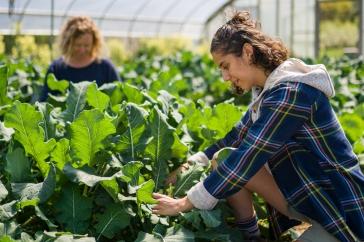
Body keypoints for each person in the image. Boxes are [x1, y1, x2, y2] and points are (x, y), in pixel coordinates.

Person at [152, 11, 364, 242]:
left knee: (238, 162)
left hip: (337, 203)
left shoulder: (292, 93)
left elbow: (250, 153)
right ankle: (252, 238)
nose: (224, 76)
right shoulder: (268, 94)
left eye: (226, 65)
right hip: (305, 195)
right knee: (224, 157)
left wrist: (185, 202)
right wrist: (184, 169)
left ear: (247, 52)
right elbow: (233, 140)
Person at [39, 16, 121, 101]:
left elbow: (118, 97)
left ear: (94, 43)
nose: (82, 50)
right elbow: (45, 101)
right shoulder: (57, 68)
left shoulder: (106, 68)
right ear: (68, 43)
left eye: (86, 45)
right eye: (78, 45)